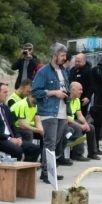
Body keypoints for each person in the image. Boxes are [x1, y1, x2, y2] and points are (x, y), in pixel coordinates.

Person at [31, 43, 71, 183]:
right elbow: (35, 91)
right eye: (62, 55)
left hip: (61, 111)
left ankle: (49, 170)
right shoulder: (43, 72)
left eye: (65, 55)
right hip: (49, 111)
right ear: (54, 56)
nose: (64, 58)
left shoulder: (64, 71)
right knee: (50, 143)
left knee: (56, 142)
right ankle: (47, 172)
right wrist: (54, 92)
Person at [0, 83, 40, 162]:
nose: (7, 94)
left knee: (35, 149)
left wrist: (18, 137)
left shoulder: (5, 108)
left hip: (10, 137)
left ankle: (24, 170)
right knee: (17, 150)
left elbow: (12, 126)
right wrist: (8, 138)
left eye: (7, 92)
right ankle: (12, 171)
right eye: (4, 92)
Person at [63, 81, 97, 162]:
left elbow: (80, 115)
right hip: (65, 122)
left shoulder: (77, 100)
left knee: (91, 127)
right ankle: (78, 154)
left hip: (72, 121)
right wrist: (80, 125)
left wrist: (85, 124)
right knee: (78, 127)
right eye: (80, 89)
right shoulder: (65, 100)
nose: (82, 92)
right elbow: (65, 118)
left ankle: (92, 153)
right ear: (73, 90)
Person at [69, 53, 94, 118]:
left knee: (81, 115)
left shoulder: (89, 71)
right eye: (76, 61)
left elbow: (92, 84)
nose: (77, 63)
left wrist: (88, 97)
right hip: (73, 97)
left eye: (79, 61)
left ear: (84, 61)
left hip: (83, 97)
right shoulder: (73, 70)